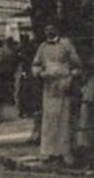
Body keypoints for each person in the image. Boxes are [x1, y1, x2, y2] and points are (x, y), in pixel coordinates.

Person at [33, 23, 82, 164]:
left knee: (63, 120)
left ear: (57, 30)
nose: (49, 32)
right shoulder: (42, 47)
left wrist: (69, 77)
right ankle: (49, 153)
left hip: (63, 86)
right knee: (49, 120)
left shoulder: (66, 45)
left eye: (52, 29)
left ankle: (64, 153)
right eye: (47, 30)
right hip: (49, 88)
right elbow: (36, 64)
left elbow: (77, 65)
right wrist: (40, 73)